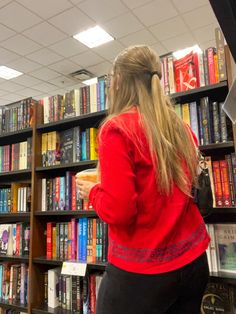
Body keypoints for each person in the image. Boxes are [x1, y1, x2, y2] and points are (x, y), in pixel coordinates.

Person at [76, 45, 210, 314]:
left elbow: (120, 211)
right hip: (194, 262)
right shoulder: (181, 127)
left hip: (142, 273)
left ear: (119, 81)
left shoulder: (116, 129)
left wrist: (93, 192)